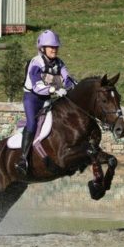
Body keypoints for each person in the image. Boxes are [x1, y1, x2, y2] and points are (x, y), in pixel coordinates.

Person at [15, 29, 76, 176]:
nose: (54, 50)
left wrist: (71, 86)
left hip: (47, 97)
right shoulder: (35, 63)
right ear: (42, 48)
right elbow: (37, 86)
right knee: (32, 124)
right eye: (51, 47)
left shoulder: (59, 63)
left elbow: (68, 79)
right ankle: (23, 159)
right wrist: (55, 89)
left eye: (56, 47)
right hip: (33, 98)